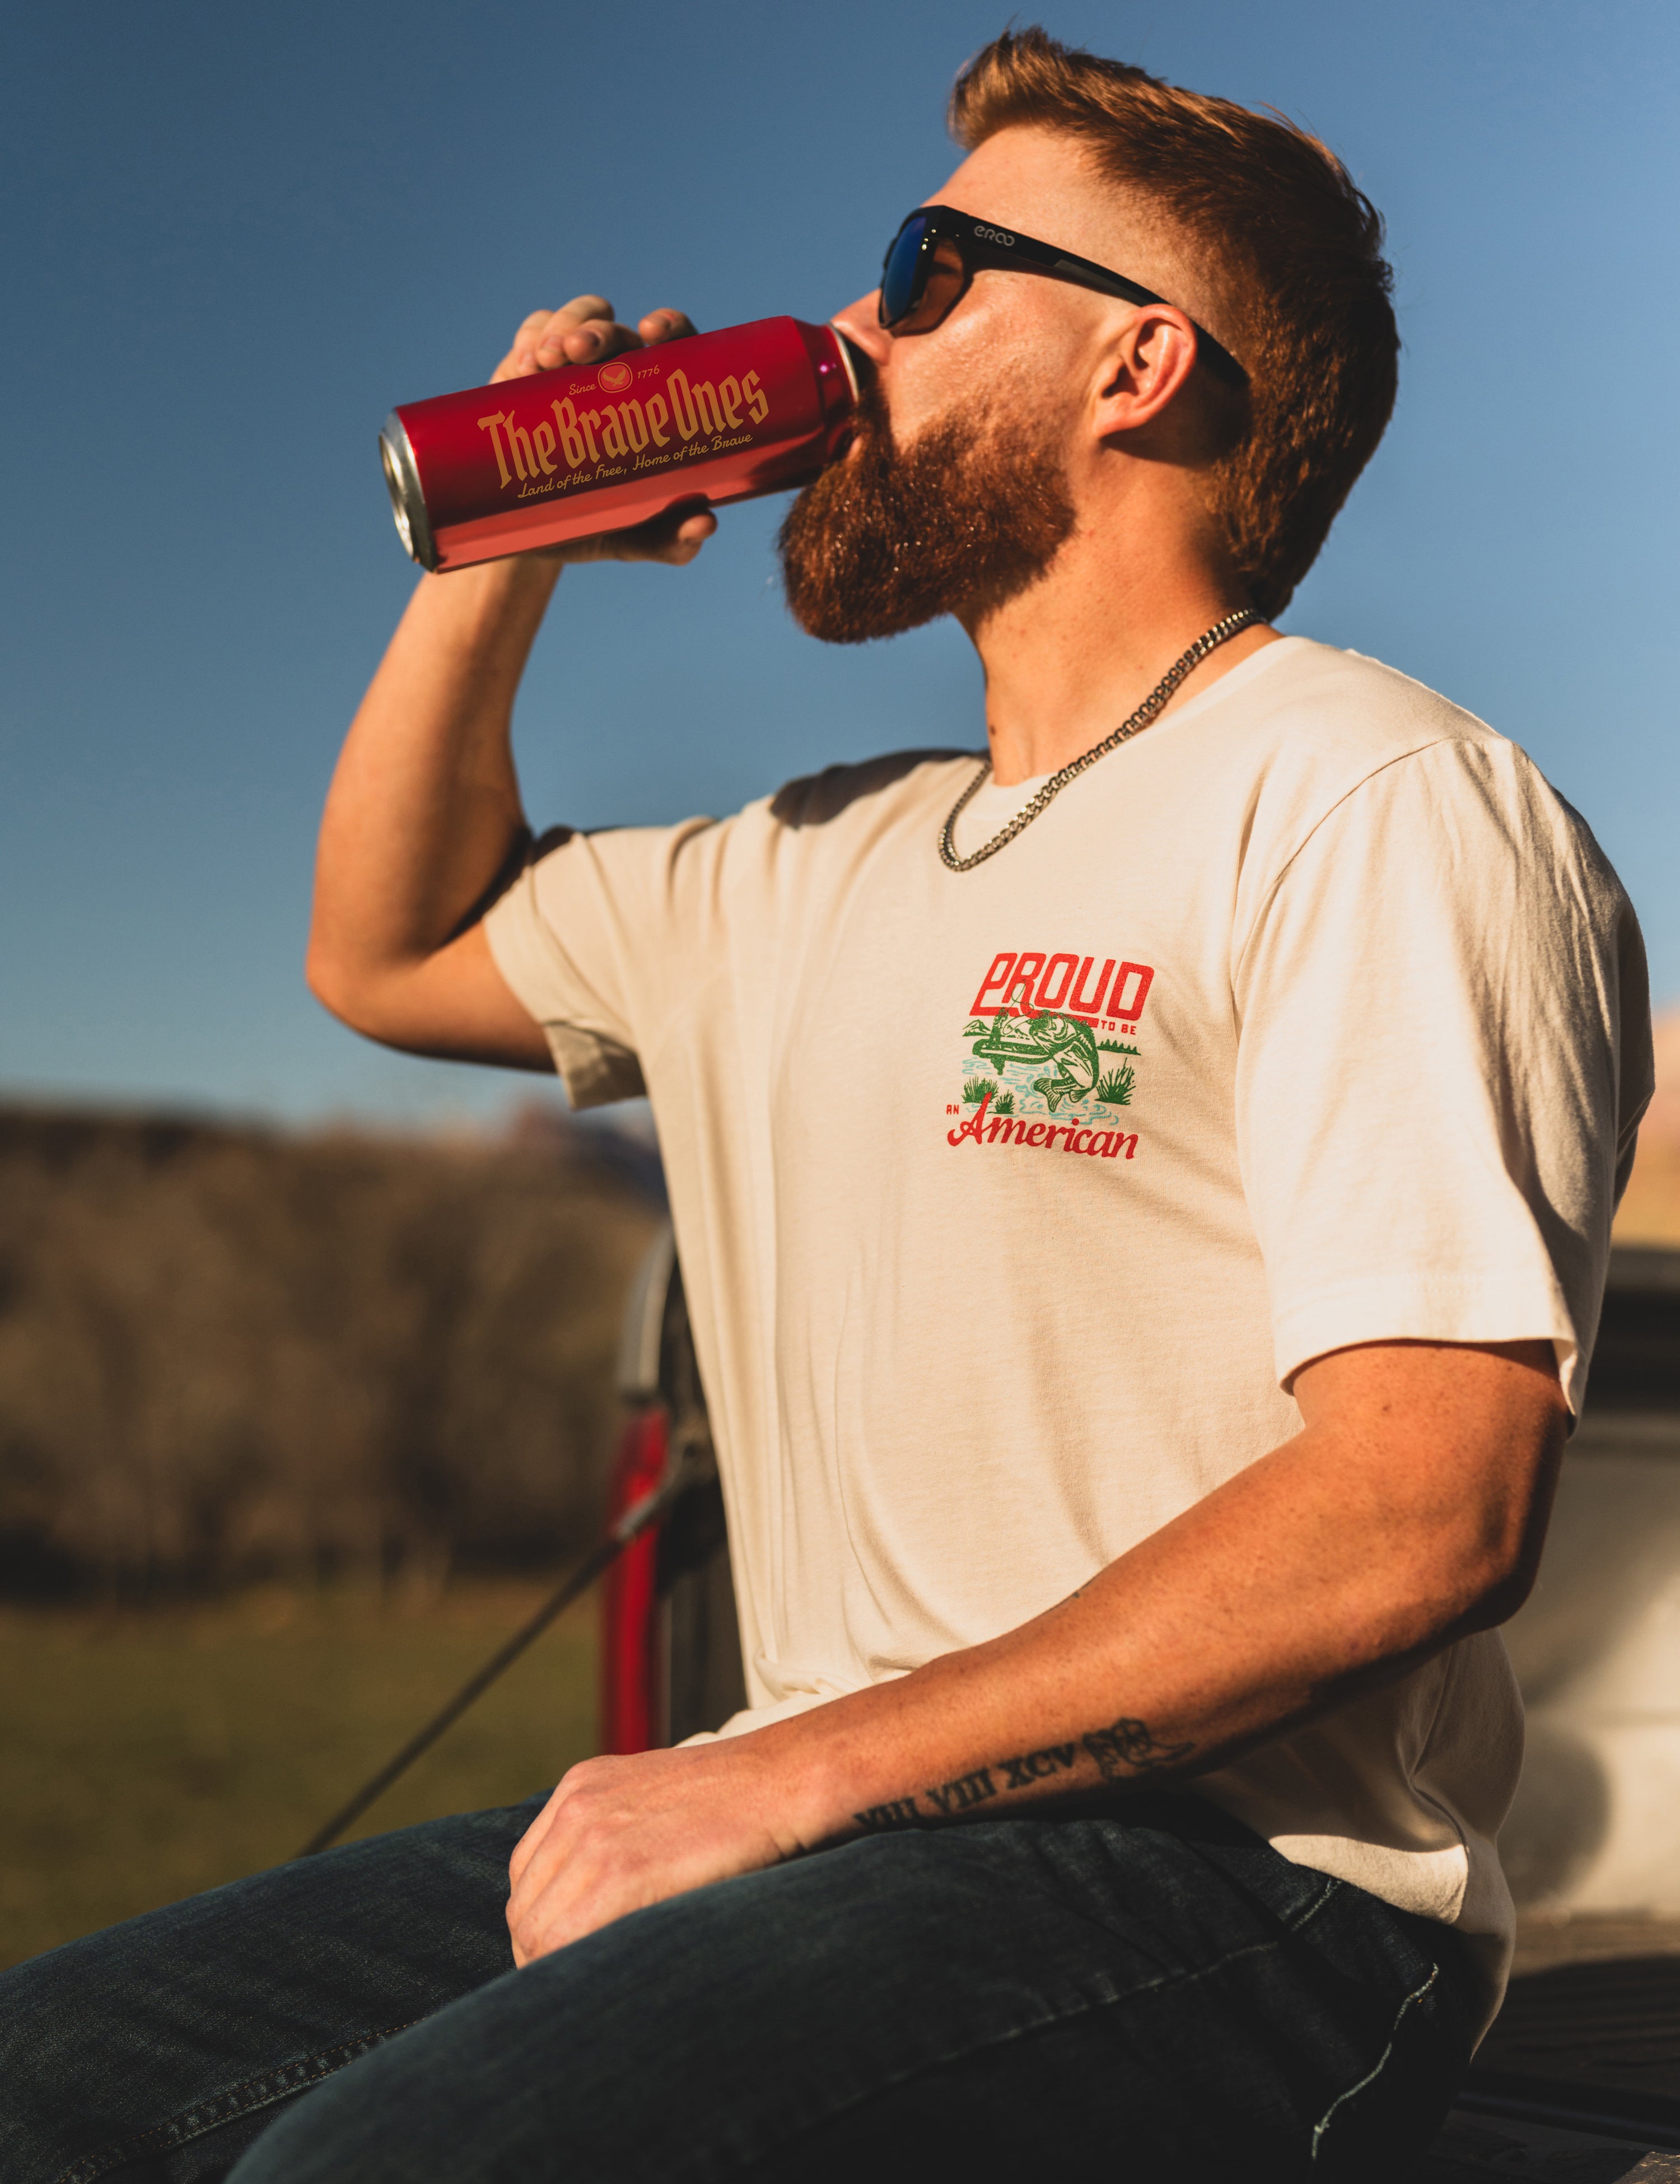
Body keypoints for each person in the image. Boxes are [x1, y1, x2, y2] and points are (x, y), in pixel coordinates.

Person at [0, 26, 1653, 2184]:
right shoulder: (809, 856)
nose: (852, 330)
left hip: (1244, 1885)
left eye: (927, 266)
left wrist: (786, 1782)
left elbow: (1424, 1502)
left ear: (1140, 365)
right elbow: (386, 951)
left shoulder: (1373, 798)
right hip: (809, 1821)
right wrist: (509, 537)